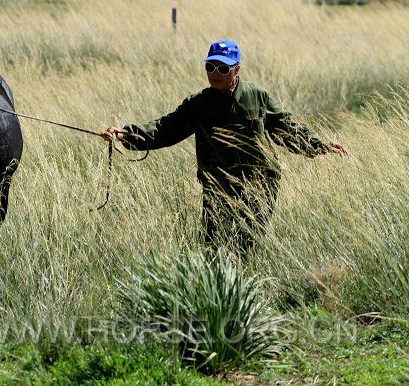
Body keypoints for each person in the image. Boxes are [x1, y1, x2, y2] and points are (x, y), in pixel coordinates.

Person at [103, 40, 347, 258]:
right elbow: (166, 127)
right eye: (210, 67)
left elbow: (285, 128)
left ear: (237, 69)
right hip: (217, 183)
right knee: (213, 245)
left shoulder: (257, 96)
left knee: (248, 243)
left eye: (223, 68)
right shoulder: (199, 103)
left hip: (259, 182)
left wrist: (319, 146)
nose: (215, 74)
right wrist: (125, 134)